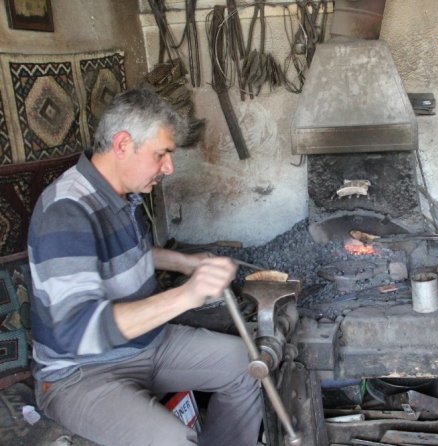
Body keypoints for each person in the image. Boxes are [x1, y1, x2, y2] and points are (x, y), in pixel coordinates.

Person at [28, 89, 263, 445]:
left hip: (147, 345)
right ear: (123, 144)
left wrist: (184, 261)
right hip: (80, 373)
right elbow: (78, 329)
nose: (169, 167)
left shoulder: (123, 195)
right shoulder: (65, 211)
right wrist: (188, 295)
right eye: (162, 154)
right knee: (172, 440)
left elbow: (131, 252)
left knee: (247, 365)